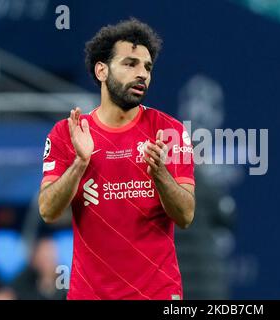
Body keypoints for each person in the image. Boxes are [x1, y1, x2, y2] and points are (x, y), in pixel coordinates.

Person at [38, 18, 195, 300]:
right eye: (130, 64)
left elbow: (186, 216)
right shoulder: (67, 133)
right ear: (101, 70)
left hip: (156, 294)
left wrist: (160, 173)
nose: (142, 74)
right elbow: (48, 211)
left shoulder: (169, 131)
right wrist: (80, 163)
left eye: (147, 67)